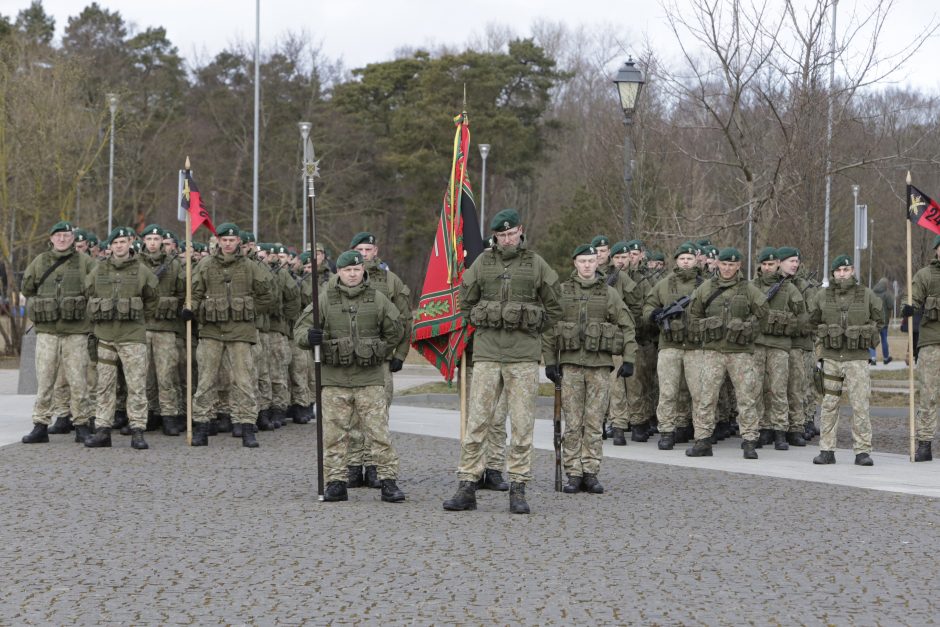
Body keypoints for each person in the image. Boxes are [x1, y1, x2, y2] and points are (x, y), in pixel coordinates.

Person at [443, 208, 562, 514]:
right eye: (502, 235)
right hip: (487, 354)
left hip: (522, 356)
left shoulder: (536, 264)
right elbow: (465, 302)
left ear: (520, 230)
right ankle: (467, 486)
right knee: (477, 422)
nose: (508, 239)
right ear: (494, 236)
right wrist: (486, 321)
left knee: (522, 425)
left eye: (512, 234)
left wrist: (532, 327)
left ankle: (518, 487)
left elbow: (556, 307)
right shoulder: (483, 263)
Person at [295, 250, 405, 503]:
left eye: (357, 270)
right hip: (335, 379)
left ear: (362, 271)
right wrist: (309, 338)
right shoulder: (324, 299)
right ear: (339, 273)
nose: (352, 274)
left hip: (369, 378)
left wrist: (377, 351)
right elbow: (300, 329)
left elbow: (395, 330)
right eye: (347, 270)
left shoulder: (377, 299)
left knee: (379, 433)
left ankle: (388, 481)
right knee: (334, 435)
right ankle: (335, 482)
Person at [543, 244, 636, 494]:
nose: (587, 265)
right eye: (582, 261)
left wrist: (629, 359)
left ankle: (590, 472)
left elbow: (627, 325)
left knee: (594, 422)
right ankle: (573, 472)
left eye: (591, 261)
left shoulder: (608, 294)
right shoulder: (562, 292)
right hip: (571, 367)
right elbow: (550, 330)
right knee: (573, 422)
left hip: (599, 367)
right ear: (575, 263)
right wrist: (550, 362)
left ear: (598, 263)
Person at [183, 223, 273, 447]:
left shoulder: (251, 267)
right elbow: (194, 292)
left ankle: (246, 426)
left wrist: (248, 311)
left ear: (239, 242)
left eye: (232, 240)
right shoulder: (205, 265)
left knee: (243, 380)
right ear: (218, 241)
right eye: (224, 240)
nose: (228, 243)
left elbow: (267, 295)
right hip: (211, 331)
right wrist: (189, 308)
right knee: (206, 380)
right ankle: (202, 425)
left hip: (241, 331)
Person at [686, 247, 769, 458]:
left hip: (740, 352)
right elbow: (692, 317)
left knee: (747, 397)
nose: (727, 268)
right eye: (724, 264)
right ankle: (703, 440)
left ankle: (750, 440)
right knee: (705, 397)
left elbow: (763, 314)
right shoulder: (706, 288)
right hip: (713, 352)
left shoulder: (749, 290)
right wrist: (707, 326)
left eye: (732, 264)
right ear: (718, 265)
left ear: (739, 266)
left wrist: (747, 329)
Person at [346, 232, 412, 488]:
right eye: (360, 249)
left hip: (380, 360)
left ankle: (374, 465)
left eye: (368, 249)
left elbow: (404, 320)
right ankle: (353, 465)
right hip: (349, 359)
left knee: (377, 414)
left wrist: (401, 354)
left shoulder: (390, 281)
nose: (364, 254)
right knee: (351, 414)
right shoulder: (341, 279)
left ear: (376, 251)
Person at [20, 221, 96, 444]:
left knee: (78, 380)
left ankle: (81, 424)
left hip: (76, 332)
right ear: (51, 238)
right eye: (58, 236)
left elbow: (97, 290)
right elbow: (27, 288)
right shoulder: (40, 262)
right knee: (44, 380)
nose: (62, 239)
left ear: (73, 238)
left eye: (66, 235)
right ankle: (40, 424)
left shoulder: (85, 262)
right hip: (48, 332)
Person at [83, 227, 159, 450]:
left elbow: (152, 300)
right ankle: (103, 431)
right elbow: (89, 292)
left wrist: (138, 320)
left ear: (130, 244)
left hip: (132, 337)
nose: (119, 246)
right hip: (105, 336)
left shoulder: (142, 271)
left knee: (136, 385)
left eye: (123, 242)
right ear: (110, 246)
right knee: (104, 386)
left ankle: (137, 430)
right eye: (115, 243)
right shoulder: (98, 270)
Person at [808, 255, 883, 466]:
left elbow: (880, 320)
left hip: (857, 358)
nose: (843, 273)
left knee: (860, 404)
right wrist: (821, 344)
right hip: (831, 358)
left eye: (847, 269)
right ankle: (826, 450)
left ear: (853, 271)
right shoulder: (822, 296)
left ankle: (862, 451)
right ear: (833, 273)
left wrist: (869, 335)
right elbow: (812, 322)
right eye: (839, 270)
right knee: (829, 404)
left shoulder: (866, 295)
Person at [644, 242, 701, 449]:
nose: (686, 262)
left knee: (694, 391)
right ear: (676, 261)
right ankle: (666, 430)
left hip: (695, 346)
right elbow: (649, 305)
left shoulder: (705, 284)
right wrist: (655, 314)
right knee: (668, 390)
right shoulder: (664, 284)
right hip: (669, 345)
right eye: (682, 258)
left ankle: (686, 426)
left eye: (689, 258)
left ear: (696, 260)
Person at [751, 247, 806, 450]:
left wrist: (785, 324)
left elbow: (802, 316)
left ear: (777, 265)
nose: (767, 268)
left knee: (778, 388)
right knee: (757, 388)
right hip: (757, 345)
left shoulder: (789, 289)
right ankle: (761, 427)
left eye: (771, 264)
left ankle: (780, 430)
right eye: (764, 265)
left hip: (780, 346)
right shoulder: (751, 287)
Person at [139, 224, 185, 436]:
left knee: (166, 376)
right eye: (149, 239)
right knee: (145, 376)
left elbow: (183, 293)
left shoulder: (174, 265)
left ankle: (169, 415)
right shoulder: (136, 264)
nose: (153, 243)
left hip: (166, 329)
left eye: (157, 239)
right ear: (144, 242)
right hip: (142, 328)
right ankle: (149, 413)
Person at [907, 235, 940, 461]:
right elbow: (913, 299)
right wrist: (907, 307)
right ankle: (925, 443)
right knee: (928, 394)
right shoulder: (925, 275)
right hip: (931, 343)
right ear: (936, 251)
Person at [869, 277, 894, 365]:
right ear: (886, 284)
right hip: (884, 322)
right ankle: (886, 358)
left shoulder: (872, 292)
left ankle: (873, 359)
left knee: (872, 340)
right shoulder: (887, 294)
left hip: (873, 321)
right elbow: (891, 306)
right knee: (884, 339)